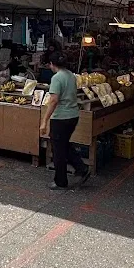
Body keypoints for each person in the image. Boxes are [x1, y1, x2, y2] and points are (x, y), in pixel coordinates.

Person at [40, 52, 90, 190]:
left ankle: (60, 181)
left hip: (61, 118)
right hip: (73, 116)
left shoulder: (57, 78)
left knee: (58, 151)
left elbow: (54, 100)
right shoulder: (71, 75)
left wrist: (44, 120)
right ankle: (81, 168)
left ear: (52, 64)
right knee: (64, 145)